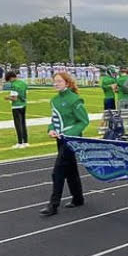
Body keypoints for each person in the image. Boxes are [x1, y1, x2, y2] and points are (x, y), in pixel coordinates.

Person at [40, 72, 90, 217]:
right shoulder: (54, 100)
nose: (56, 83)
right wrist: (51, 130)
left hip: (71, 139)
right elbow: (54, 120)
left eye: (59, 81)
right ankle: (78, 198)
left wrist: (70, 134)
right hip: (60, 139)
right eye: (54, 81)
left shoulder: (75, 99)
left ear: (67, 83)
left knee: (58, 172)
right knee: (70, 169)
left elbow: (83, 121)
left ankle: (53, 204)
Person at [4, 70, 29, 148]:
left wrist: (7, 97)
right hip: (23, 104)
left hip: (16, 106)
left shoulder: (14, 85)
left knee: (18, 125)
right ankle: (25, 141)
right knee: (23, 123)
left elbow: (14, 98)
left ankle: (20, 142)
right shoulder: (23, 83)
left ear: (11, 78)